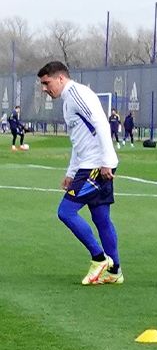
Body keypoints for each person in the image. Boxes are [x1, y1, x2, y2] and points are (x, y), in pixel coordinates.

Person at [37, 62, 122, 284]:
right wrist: (71, 172)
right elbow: (79, 140)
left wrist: (107, 161)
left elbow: (102, 124)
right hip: (88, 164)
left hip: (95, 166)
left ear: (60, 78)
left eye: (46, 83)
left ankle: (99, 258)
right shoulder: (68, 102)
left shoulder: (77, 94)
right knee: (101, 218)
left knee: (65, 211)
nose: (44, 89)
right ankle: (115, 273)